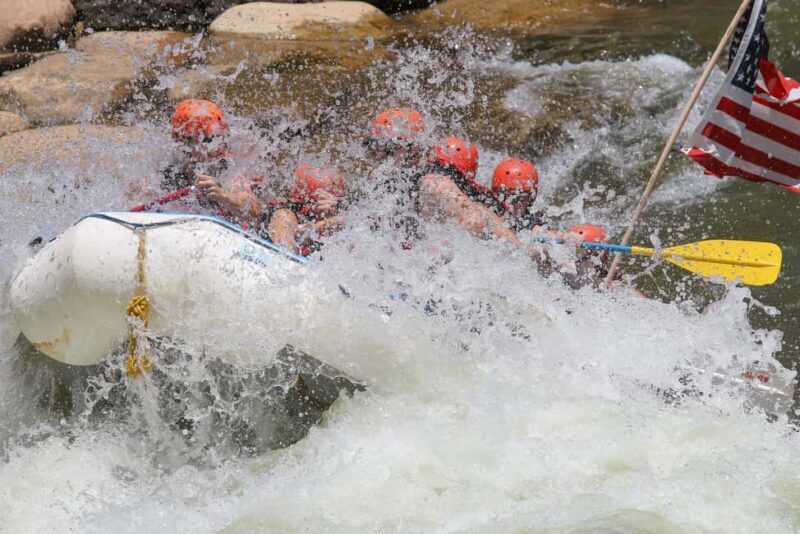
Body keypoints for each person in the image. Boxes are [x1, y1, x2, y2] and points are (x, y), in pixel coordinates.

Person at [132, 99, 262, 227]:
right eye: (209, 140)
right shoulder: (164, 171)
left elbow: (253, 213)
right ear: (181, 141)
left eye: (213, 139)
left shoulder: (230, 168)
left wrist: (223, 195)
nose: (218, 146)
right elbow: (131, 204)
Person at [266, 164, 346, 255]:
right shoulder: (284, 215)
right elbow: (284, 255)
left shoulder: (341, 228)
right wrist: (325, 223)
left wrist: (330, 222)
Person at [491, 158, 545, 232]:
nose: (508, 205)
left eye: (517, 199)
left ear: (530, 199)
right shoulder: (487, 217)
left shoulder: (534, 226)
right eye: (504, 197)